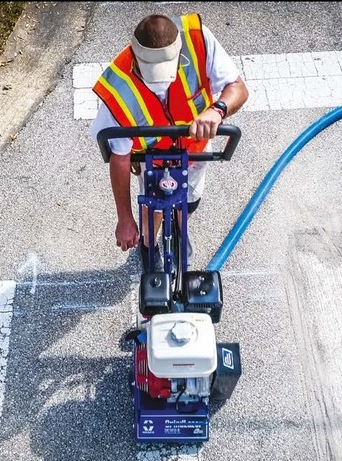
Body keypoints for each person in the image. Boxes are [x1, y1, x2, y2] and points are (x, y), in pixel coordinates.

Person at [90, 13, 249, 271]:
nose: (160, 83)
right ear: (135, 56)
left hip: (194, 151)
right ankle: (149, 245)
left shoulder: (198, 41)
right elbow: (119, 157)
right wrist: (124, 218)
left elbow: (238, 88)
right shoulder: (118, 85)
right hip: (151, 157)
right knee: (151, 209)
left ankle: (177, 223)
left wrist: (217, 110)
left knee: (188, 202)